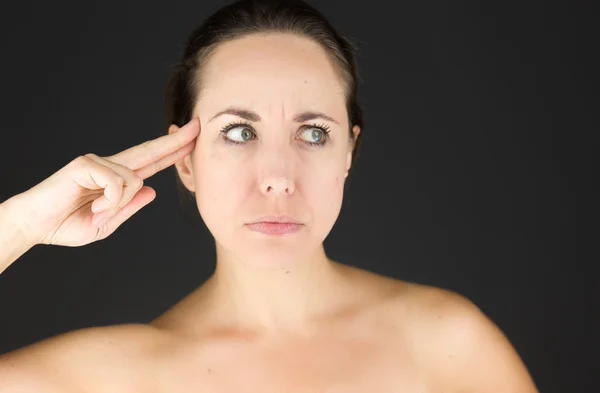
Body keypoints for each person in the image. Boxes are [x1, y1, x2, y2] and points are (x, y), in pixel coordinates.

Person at [0, 0, 539, 391]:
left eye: (313, 133)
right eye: (239, 131)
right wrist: (21, 224)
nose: (278, 176)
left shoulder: (443, 340)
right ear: (184, 158)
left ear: (348, 153)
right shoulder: (112, 378)